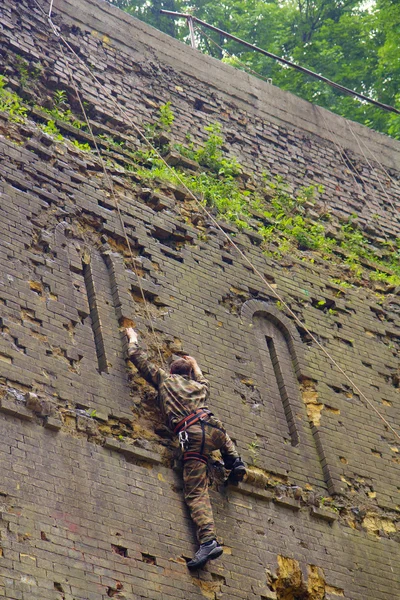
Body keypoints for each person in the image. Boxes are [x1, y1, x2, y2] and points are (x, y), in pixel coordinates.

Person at [125, 327, 246, 569]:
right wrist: (195, 364)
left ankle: (208, 541)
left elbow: (137, 358)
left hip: (189, 438)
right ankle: (235, 461)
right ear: (189, 374)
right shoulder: (199, 388)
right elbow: (203, 381)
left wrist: (132, 337)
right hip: (214, 432)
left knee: (196, 492)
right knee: (218, 430)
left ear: (171, 371)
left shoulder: (165, 380)